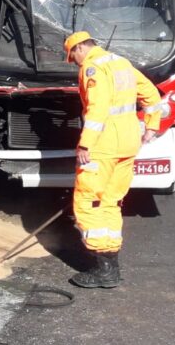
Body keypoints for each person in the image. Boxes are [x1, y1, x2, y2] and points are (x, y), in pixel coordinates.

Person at [64, 31, 163, 288]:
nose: (74, 62)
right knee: (110, 202)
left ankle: (103, 269)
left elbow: (97, 109)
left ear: (79, 48)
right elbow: (151, 94)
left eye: (73, 57)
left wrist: (85, 143)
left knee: (88, 202)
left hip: (104, 145)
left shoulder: (92, 68)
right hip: (128, 142)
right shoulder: (121, 62)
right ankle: (111, 265)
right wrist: (151, 126)